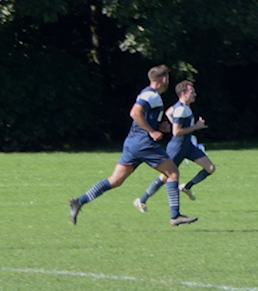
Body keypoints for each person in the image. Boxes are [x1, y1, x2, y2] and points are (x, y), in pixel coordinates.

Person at [68, 66, 192, 227]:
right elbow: (135, 113)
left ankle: (79, 201)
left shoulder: (148, 94)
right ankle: (175, 216)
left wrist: (159, 127)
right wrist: (152, 131)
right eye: (167, 78)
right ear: (163, 79)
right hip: (144, 144)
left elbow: (143, 117)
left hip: (133, 143)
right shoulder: (151, 95)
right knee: (173, 173)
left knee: (115, 180)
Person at [137, 80, 214, 211]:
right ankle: (142, 200)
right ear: (183, 94)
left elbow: (168, 112)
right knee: (165, 176)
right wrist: (196, 126)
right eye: (191, 92)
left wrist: (175, 122)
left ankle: (187, 187)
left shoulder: (182, 107)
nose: (194, 94)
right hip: (177, 147)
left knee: (210, 168)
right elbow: (176, 132)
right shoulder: (180, 110)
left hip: (188, 146)